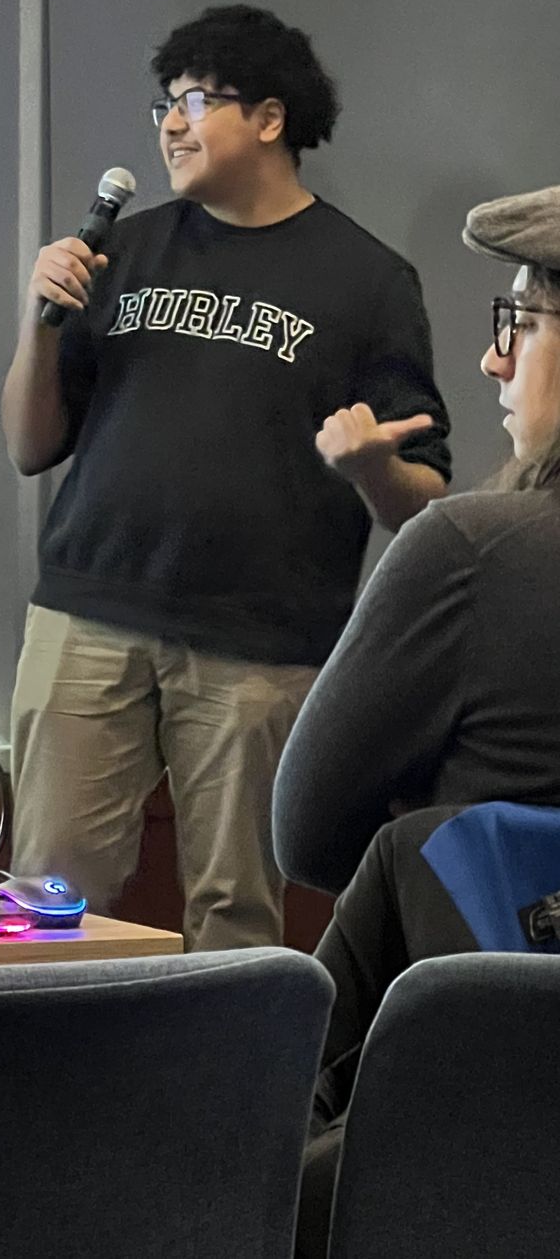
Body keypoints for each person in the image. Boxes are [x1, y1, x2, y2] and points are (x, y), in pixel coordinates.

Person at [2, 4, 451, 950]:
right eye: (163, 103)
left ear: (271, 120)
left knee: (236, 913)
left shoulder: (369, 280)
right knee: (46, 900)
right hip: (90, 611)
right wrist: (39, 322)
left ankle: (227, 1101)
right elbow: (30, 445)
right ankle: (42, 1091)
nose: (170, 122)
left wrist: (374, 469)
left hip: (260, 642)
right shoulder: (121, 251)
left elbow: (426, 499)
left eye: (196, 99)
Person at [275, 185, 560, 1259]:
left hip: (481, 1140)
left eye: (519, 320)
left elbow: (302, 838)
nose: (493, 362)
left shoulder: (469, 549)